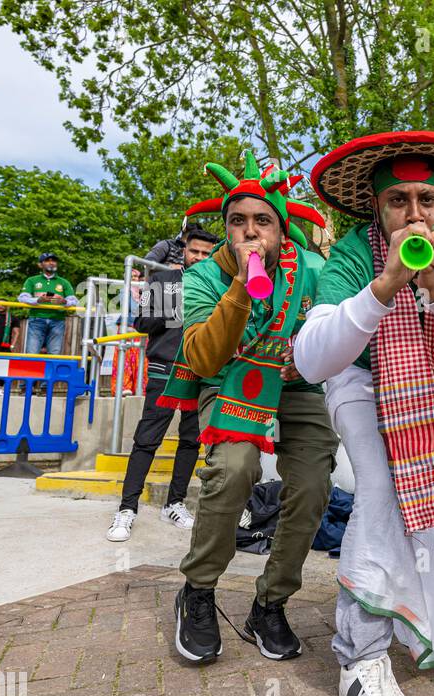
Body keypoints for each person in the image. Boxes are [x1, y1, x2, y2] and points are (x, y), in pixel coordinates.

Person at [294, 131, 434, 696]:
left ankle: (408, 627)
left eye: (427, 201)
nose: (415, 215)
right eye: (398, 202)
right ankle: (360, 658)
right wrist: (384, 286)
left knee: (425, 509)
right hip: (359, 384)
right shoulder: (354, 255)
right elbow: (312, 359)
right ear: (376, 206)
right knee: (384, 490)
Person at [161, 151, 338, 666]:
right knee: (234, 468)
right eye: (237, 221)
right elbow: (200, 356)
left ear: (283, 230)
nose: (249, 230)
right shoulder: (200, 277)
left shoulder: (313, 268)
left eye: (263, 221)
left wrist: (305, 363)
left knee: (312, 483)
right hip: (228, 379)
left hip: (295, 384)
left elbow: (334, 335)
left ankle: (271, 601)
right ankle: (197, 591)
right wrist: (241, 282)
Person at [106, 226, 220, 544]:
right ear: (184, 250)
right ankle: (127, 508)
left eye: (206, 253)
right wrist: (174, 305)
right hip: (165, 367)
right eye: (194, 251)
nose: (199, 257)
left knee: (190, 441)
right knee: (147, 439)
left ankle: (174, 503)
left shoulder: (220, 285)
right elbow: (142, 324)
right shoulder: (165, 280)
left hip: (201, 370)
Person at [18, 254, 78, 356]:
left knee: (55, 353)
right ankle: (31, 372)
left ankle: (50, 372)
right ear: (40, 265)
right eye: (47, 261)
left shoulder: (64, 282)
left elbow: (74, 300)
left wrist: (65, 302)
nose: (51, 262)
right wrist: (38, 300)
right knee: (32, 353)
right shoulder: (32, 280)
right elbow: (22, 298)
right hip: (36, 319)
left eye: (54, 260)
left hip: (58, 320)